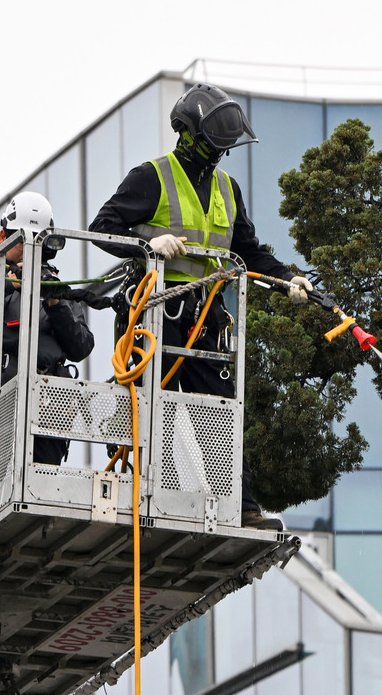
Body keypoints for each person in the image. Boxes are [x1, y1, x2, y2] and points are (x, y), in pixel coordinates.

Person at [90, 83, 316, 521]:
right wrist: (150, 239)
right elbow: (104, 227)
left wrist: (288, 277)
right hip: (154, 316)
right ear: (189, 136)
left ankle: (246, 508)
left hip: (204, 318)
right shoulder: (152, 177)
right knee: (151, 414)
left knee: (220, 412)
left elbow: (249, 252)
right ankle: (146, 500)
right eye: (214, 145)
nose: (218, 155)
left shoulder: (228, 190)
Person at [0, 192, 95, 465]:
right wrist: (6, 285)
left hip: (48, 409)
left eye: (39, 242)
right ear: (4, 237)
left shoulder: (55, 286)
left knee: (42, 486)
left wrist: (55, 302)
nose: (32, 250)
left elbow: (81, 346)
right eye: (23, 242)